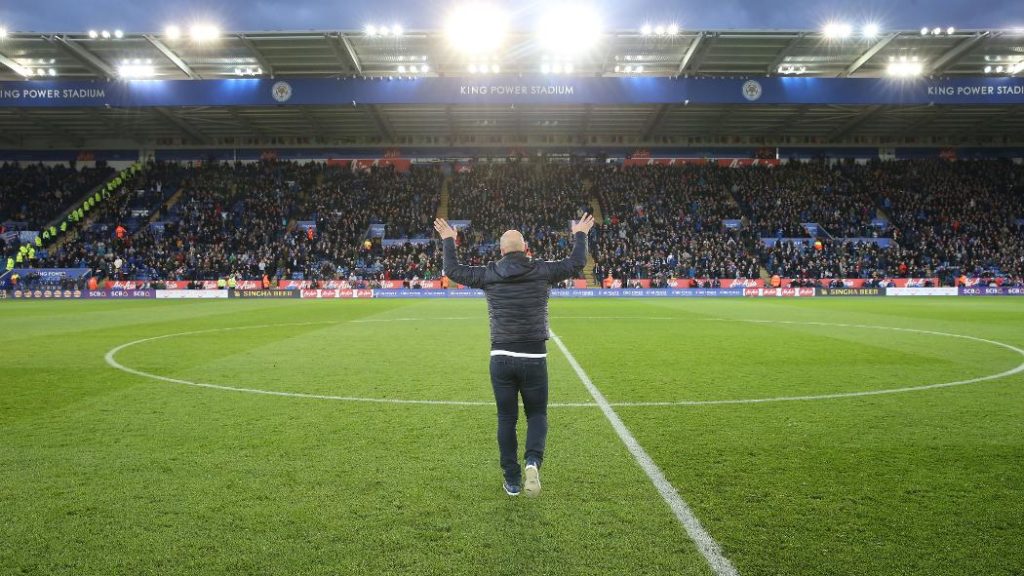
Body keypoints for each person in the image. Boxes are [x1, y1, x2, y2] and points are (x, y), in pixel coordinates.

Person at [434, 213, 594, 498]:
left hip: (501, 356)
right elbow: (576, 263)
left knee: (506, 418)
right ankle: (532, 461)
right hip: (534, 356)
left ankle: (512, 479)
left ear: (501, 250)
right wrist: (579, 233)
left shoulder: (489, 273)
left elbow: (453, 270)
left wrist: (449, 240)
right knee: (537, 414)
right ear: (526, 248)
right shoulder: (542, 270)